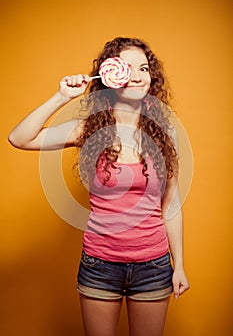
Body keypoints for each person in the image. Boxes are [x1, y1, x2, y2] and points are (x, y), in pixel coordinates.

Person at [8, 37, 190, 336]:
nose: (136, 75)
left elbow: (171, 204)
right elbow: (20, 138)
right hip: (100, 265)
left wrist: (179, 264)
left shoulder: (164, 132)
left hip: (154, 266)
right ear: (109, 74)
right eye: (127, 67)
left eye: (143, 68)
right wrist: (61, 97)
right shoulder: (89, 129)